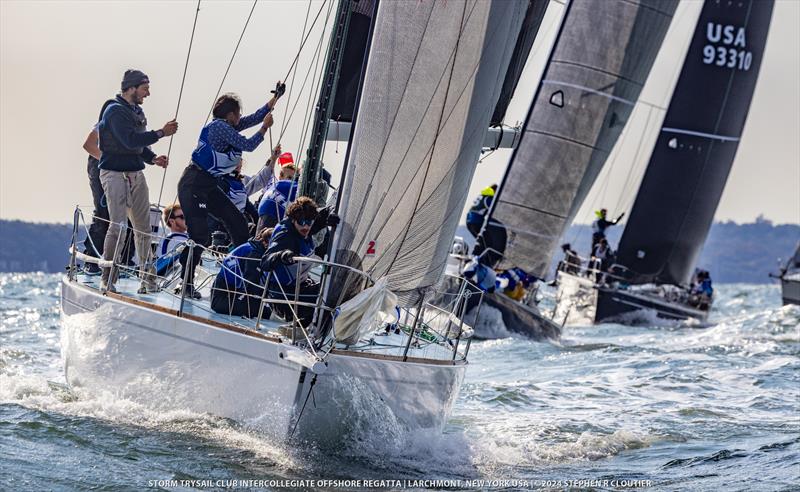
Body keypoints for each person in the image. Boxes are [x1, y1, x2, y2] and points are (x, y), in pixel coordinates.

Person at [177, 82, 285, 298]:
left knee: (238, 223)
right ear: (230, 115)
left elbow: (254, 117)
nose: (240, 118)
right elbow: (248, 144)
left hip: (209, 185)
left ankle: (241, 278)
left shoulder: (228, 126)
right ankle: (185, 282)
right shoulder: (219, 128)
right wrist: (264, 128)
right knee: (200, 235)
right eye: (238, 114)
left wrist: (275, 100)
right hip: (193, 184)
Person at [97, 69, 178, 293]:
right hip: (114, 174)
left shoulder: (136, 112)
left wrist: (153, 158)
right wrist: (162, 133)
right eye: (145, 88)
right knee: (119, 227)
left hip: (136, 174)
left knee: (143, 229)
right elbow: (128, 140)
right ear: (131, 88)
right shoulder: (114, 111)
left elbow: (137, 147)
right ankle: (108, 277)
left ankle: (148, 281)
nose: (148, 93)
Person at [261, 197, 339, 326]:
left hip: (300, 287)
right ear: (293, 220)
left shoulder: (304, 225)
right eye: (302, 222)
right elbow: (265, 262)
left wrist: (331, 213)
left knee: (334, 288)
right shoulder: (286, 236)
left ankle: (312, 330)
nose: (306, 226)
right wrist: (282, 255)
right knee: (329, 294)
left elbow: (324, 212)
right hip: (283, 296)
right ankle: (303, 329)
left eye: (309, 222)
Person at [81, 99, 136, 274]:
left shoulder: (128, 125)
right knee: (104, 212)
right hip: (100, 167)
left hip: (120, 170)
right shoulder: (105, 122)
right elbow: (88, 145)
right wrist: (109, 161)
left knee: (129, 213)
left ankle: (124, 260)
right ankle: (93, 260)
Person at [210, 227, 274, 318]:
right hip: (223, 297)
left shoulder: (253, 246)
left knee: (259, 306)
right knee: (262, 311)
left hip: (228, 291)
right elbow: (251, 283)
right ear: (265, 243)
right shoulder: (254, 254)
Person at [465, 184, 506, 267]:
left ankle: (474, 258)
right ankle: (479, 261)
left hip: (469, 221)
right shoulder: (489, 198)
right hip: (477, 222)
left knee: (481, 241)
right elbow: (498, 210)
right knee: (487, 242)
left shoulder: (483, 195)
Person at [257, 153, 299, 232]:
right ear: (280, 177)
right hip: (267, 221)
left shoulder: (294, 193)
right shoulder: (275, 185)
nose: (291, 181)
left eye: (294, 179)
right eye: (289, 177)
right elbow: (267, 172)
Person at [155, 204, 189, 277]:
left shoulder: (189, 237)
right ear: (172, 221)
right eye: (182, 217)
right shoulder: (169, 240)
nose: (187, 219)